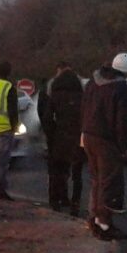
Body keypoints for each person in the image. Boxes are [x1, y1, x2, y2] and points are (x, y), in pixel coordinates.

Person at [80, 52, 127, 240]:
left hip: (88, 135)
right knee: (108, 182)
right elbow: (122, 121)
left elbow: (84, 106)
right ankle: (104, 224)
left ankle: (94, 218)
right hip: (106, 140)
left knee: (96, 180)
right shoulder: (121, 89)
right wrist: (122, 146)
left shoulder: (92, 82)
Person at [38, 62, 84, 214]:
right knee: (76, 173)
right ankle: (74, 203)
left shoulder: (55, 96)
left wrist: (51, 134)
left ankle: (54, 200)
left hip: (58, 137)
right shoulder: (81, 97)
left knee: (56, 170)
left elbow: (47, 118)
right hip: (76, 138)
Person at [0, 60, 18, 200]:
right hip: (4, 128)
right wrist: (14, 126)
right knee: (2, 161)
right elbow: (13, 110)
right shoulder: (9, 87)